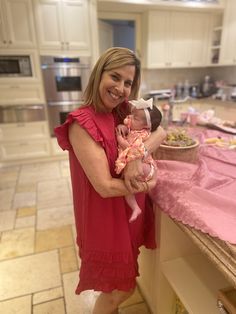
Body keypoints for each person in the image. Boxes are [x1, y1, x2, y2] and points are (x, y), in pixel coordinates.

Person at [54, 47, 166, 314]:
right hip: (104, 220)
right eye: (114, 77)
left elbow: (161, 130)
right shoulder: (81, 123)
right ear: (99, 74)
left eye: (128, 82)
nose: (120, 88)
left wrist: (135, 156)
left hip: (124, 214)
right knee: (121, 290)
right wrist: (148, 183)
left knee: (115, 287)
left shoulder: (121, 111)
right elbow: (104, 187)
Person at [115, 98, 162, 222]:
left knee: (128, 179)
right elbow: (128, 129)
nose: (130, 117)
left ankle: (136, 206)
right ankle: (135, 207)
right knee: (127, 185)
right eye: (131, 114)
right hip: (143, 168)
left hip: (146, 168)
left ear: (146, 126)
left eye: (135, 118)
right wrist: (122, 127)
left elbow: (131, 148)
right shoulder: (135, 129)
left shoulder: (141, 135)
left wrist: (119, 138)